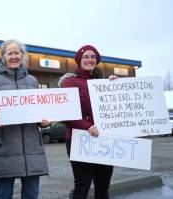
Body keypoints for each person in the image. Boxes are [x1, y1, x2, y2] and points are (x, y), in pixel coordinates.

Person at [0, 39, 49, 199]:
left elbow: (37, 111)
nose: (14, 56)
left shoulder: (33, 81)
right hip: (4, 148)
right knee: (2, 195)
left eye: (17, 53)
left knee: (31, 194)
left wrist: (42, 121)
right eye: (10, 53)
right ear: (3, 56)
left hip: (31, 149)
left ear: (22, 55)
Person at [59, 45, 116, 199]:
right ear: (79, 60)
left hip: (103, 139)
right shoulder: (69, 82)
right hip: (79, 139)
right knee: (82, 186)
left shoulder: (102, 83)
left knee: (103, 186)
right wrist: (87, 126)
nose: (90, 60)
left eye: (93, 57)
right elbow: (66, 113)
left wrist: (116, 87)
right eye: (86, 56)